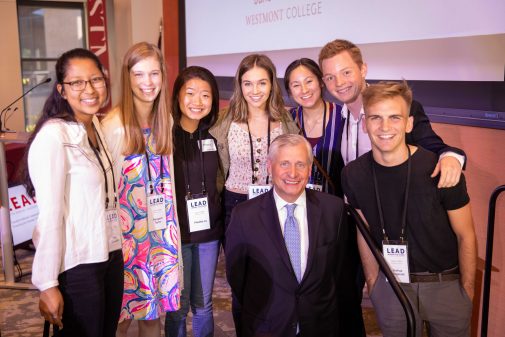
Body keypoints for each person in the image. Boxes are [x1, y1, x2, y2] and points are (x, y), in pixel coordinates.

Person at [342, 81, 477, 337]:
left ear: (409, 124)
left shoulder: (440, 169)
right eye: (376, 118)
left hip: (445, 286)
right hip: (391, 287)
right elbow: (364, 231)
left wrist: (466, 290)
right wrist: (373, 283)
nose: (384, 127)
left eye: (394, 117)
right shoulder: (353, 174)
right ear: (365, 123)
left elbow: (466, 234)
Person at [22, 48, 123, 336]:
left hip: (110, 254)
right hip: (79, 264)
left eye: (96, 79)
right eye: (77, 82)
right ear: (61, 90)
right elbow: (51, 216)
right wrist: (47, 284)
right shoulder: (55, 136)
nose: (89, 89)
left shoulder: (96, 128)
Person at [225, 134, 350, 337]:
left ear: (310, 169)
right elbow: (238, 278)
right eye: (284, 163)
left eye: (300, 164)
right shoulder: (245, 216)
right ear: (269, 166)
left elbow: (340, 274)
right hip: (267, 327)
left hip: (320, 326)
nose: (293, 173)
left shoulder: (333, 210)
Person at [101, 42, 181, 337]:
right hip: (126, 241)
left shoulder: (165, 120)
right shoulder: (113, 125)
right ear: (128, 77)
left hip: (160, 234)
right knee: (119, 318)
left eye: (154, 73)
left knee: (152, 317)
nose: (148, 83)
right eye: (139, 75)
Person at [319, 39, 466, 187]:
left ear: (363, 70)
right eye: (330, 77)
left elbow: (438, 150)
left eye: (346, 72)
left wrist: (450, 158)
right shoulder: (337, 118)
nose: (339, 83)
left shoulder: (399, 109)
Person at [164, 66, 224, 337]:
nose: (197, 102)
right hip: (176, 235)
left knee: (203, 304)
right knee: (177, 305)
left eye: (205, 95)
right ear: (177, 96)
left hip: (209, 234)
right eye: (190, 93)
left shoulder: (216, 136)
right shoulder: (164, 135)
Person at [209, 53, 298, 228]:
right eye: (248, 84)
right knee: (237, 255)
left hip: (275, 201)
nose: (255, 91)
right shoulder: (224, 120)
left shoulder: (285, 120)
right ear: (240, 86)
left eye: (262, 83)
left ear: (272, 84)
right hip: (235, 202)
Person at [284, 58, 345, 196]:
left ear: (321, 82)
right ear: (290, 91)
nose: (304, 90)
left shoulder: (342, 116)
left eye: (309, 81)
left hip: (334, 205)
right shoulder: (288, 120)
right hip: (297, 203)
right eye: (296, 85)